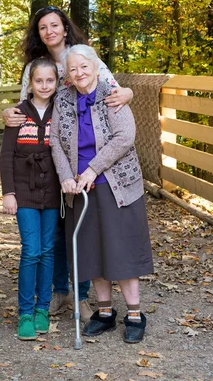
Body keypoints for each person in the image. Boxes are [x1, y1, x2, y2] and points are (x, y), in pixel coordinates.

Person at [2, 6, 134, 323]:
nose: (49, 31)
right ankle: (59, 292)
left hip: (81, 154)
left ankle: (82, 294)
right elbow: (24, 106)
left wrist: (127, 92)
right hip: (47, 157)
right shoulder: (36, 67)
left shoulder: (83, 58)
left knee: (78, 224)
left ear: (64, 28)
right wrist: (8, 113)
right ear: (39, 33)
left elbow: (113, 87)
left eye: (54, 25)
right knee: (57, 228)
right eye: (43, 27)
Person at [50, 45, 154, 344]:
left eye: (84, 66)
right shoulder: (63, 98)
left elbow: (125, 137)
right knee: (90, 249)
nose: (79, 73)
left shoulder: (112, 93)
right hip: (78, 187)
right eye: (73, 69)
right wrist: (66, 176)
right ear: (67, 75)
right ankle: (105, 311)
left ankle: (134, 313)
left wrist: (93, 170)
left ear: (96, 67)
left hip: (114, 183)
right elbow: (55, 139)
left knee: (120, 248)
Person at [0, 58, 61, 341]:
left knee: (48, 249)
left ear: (57, 82)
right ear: (30, 83)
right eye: (39, 81)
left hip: (52, 191)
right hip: (24, 191)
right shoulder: (17, 114)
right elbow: (6, 157)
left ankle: (42, 310)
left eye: (50, 81)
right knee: (31, 249)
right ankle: (25, 312)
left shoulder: (61, 111)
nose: (45, 86)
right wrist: (8, 193)